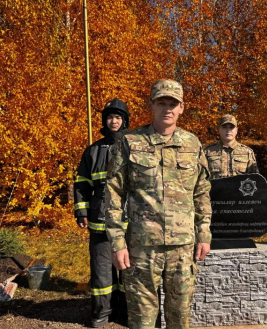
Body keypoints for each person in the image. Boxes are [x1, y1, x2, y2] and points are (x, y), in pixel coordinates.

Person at [103, 79, 212, 329]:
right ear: (151, 105)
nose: (168, 109)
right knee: (142, 322)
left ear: (182, 107)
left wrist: (204, 233)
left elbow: (202, 192)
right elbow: (113, 195)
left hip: (182, 249)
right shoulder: (130, 143)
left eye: (173, 104)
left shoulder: (192, 143)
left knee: (180, 321)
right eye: (162, 103)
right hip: (142, 248)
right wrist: (117, 242)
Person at [74, 98, 130, 327]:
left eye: (118, 117)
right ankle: (102, 314)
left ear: (124, 121)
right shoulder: (93, 150)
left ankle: (126, 312)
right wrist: (81, 211)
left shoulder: (134, 146)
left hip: (129, 223)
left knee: (128, 271)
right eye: (110, 117)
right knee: (102, 270)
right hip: (100, 222)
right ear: (104, 121)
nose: (114, 121)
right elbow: (81, 184)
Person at [204, 114, 258, 179]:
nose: (228, 130)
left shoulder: (247, 152)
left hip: (238, 189)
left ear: (236, 130)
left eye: (231, 127)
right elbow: (201, 180)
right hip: (216, 189)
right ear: (219, 130)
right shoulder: (207, 152)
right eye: (224, 127)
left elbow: (255, 180)